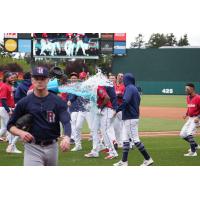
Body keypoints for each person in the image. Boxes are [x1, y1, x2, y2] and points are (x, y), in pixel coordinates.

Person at [7, 66, 71, 166]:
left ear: (48, 80)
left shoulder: (58, 101)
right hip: (32, 147)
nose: (39, 81)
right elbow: (10, 125)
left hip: (52, 147)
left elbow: (66, 121)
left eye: (43, 79)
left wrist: (67, 137)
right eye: (37, 78)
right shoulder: (24, 102)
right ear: (32, 80)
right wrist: (21, 133)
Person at [113, 73, 153, 166]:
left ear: (127, 80)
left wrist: (117, 110)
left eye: (124, 79)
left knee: (135, 140)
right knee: (125, 140)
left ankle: (148, 159)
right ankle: (124, 161)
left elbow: (125, 101)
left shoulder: (129, 88)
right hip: (130, 117)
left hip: (130, 118)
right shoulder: (134, 88)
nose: (123, 80)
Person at [0, 72, 21, 153]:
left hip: (5, 108)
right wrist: (8, 110)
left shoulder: (9, 86)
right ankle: (12, 148)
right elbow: (3, 99)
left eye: (13, 78)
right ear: (6, 78)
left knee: (4, 128)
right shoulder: (5, 86)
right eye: (11, 78)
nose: (13, 79)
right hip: (4, 109)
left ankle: (11, 147)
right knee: (11, 128)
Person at [180, 83, 200, 156]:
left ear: (192, 89)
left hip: (196, 119)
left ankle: (193, 152)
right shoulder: (188, 97)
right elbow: (189, 107)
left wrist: (198, 117)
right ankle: (196, 145)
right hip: (190, 118)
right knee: (182, 134)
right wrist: (186, 114)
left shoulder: (198, 98)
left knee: (189, 133)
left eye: (187, 89)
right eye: (185, 89)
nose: (186, 90)